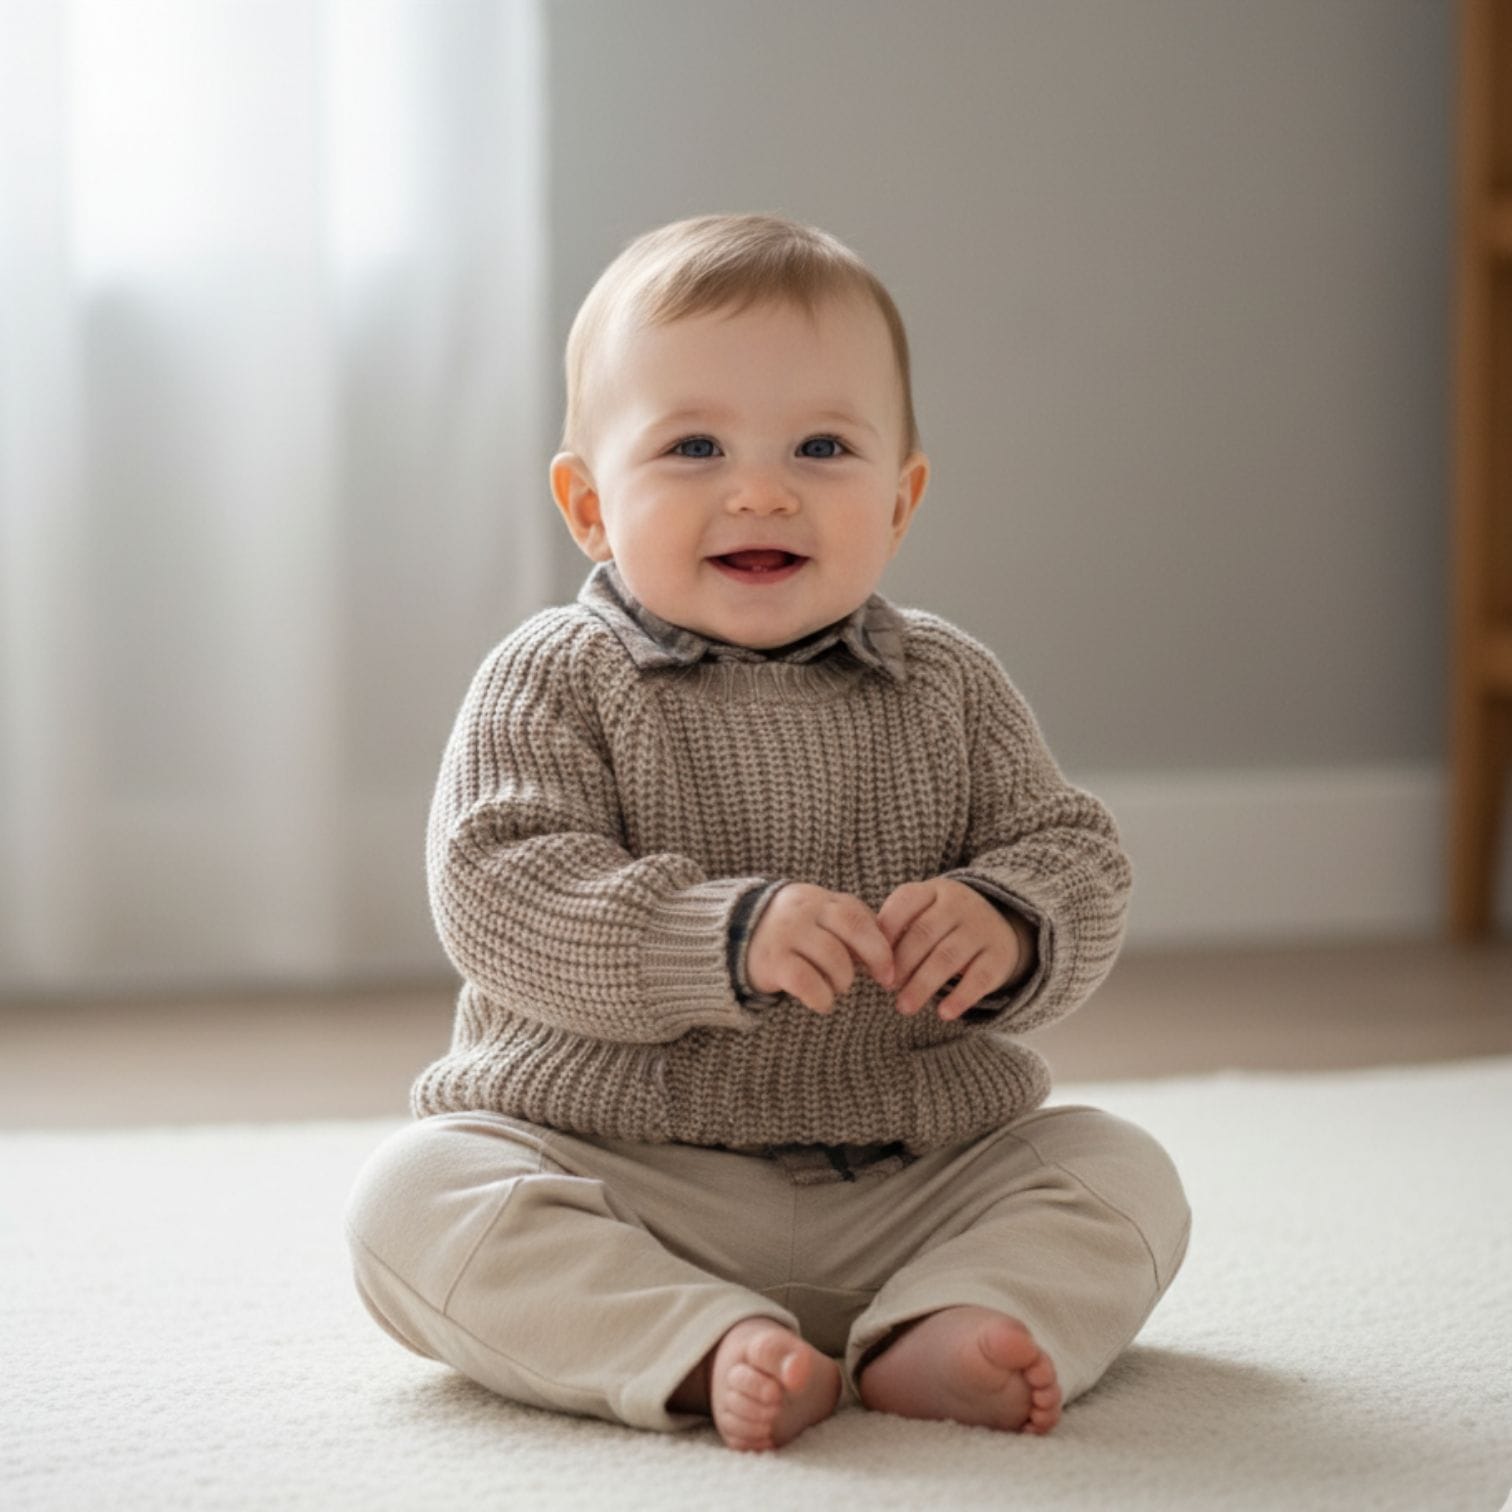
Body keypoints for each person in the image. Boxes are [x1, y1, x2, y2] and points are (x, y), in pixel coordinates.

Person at [343, 212, 1191, 1453]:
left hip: (914, 1176)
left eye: (822, 446)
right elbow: (498, 885)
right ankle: (689, 1341)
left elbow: (1072, 850)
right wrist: (713, 936)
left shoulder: (949, 684)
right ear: (589, 503)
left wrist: (1010, 921)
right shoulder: (559, 675)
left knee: (1124, 1173)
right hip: (624, 1173)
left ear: (899, 501)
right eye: (692, 446)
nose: (760, 488)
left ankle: (953, 1320)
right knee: (410, 1204)